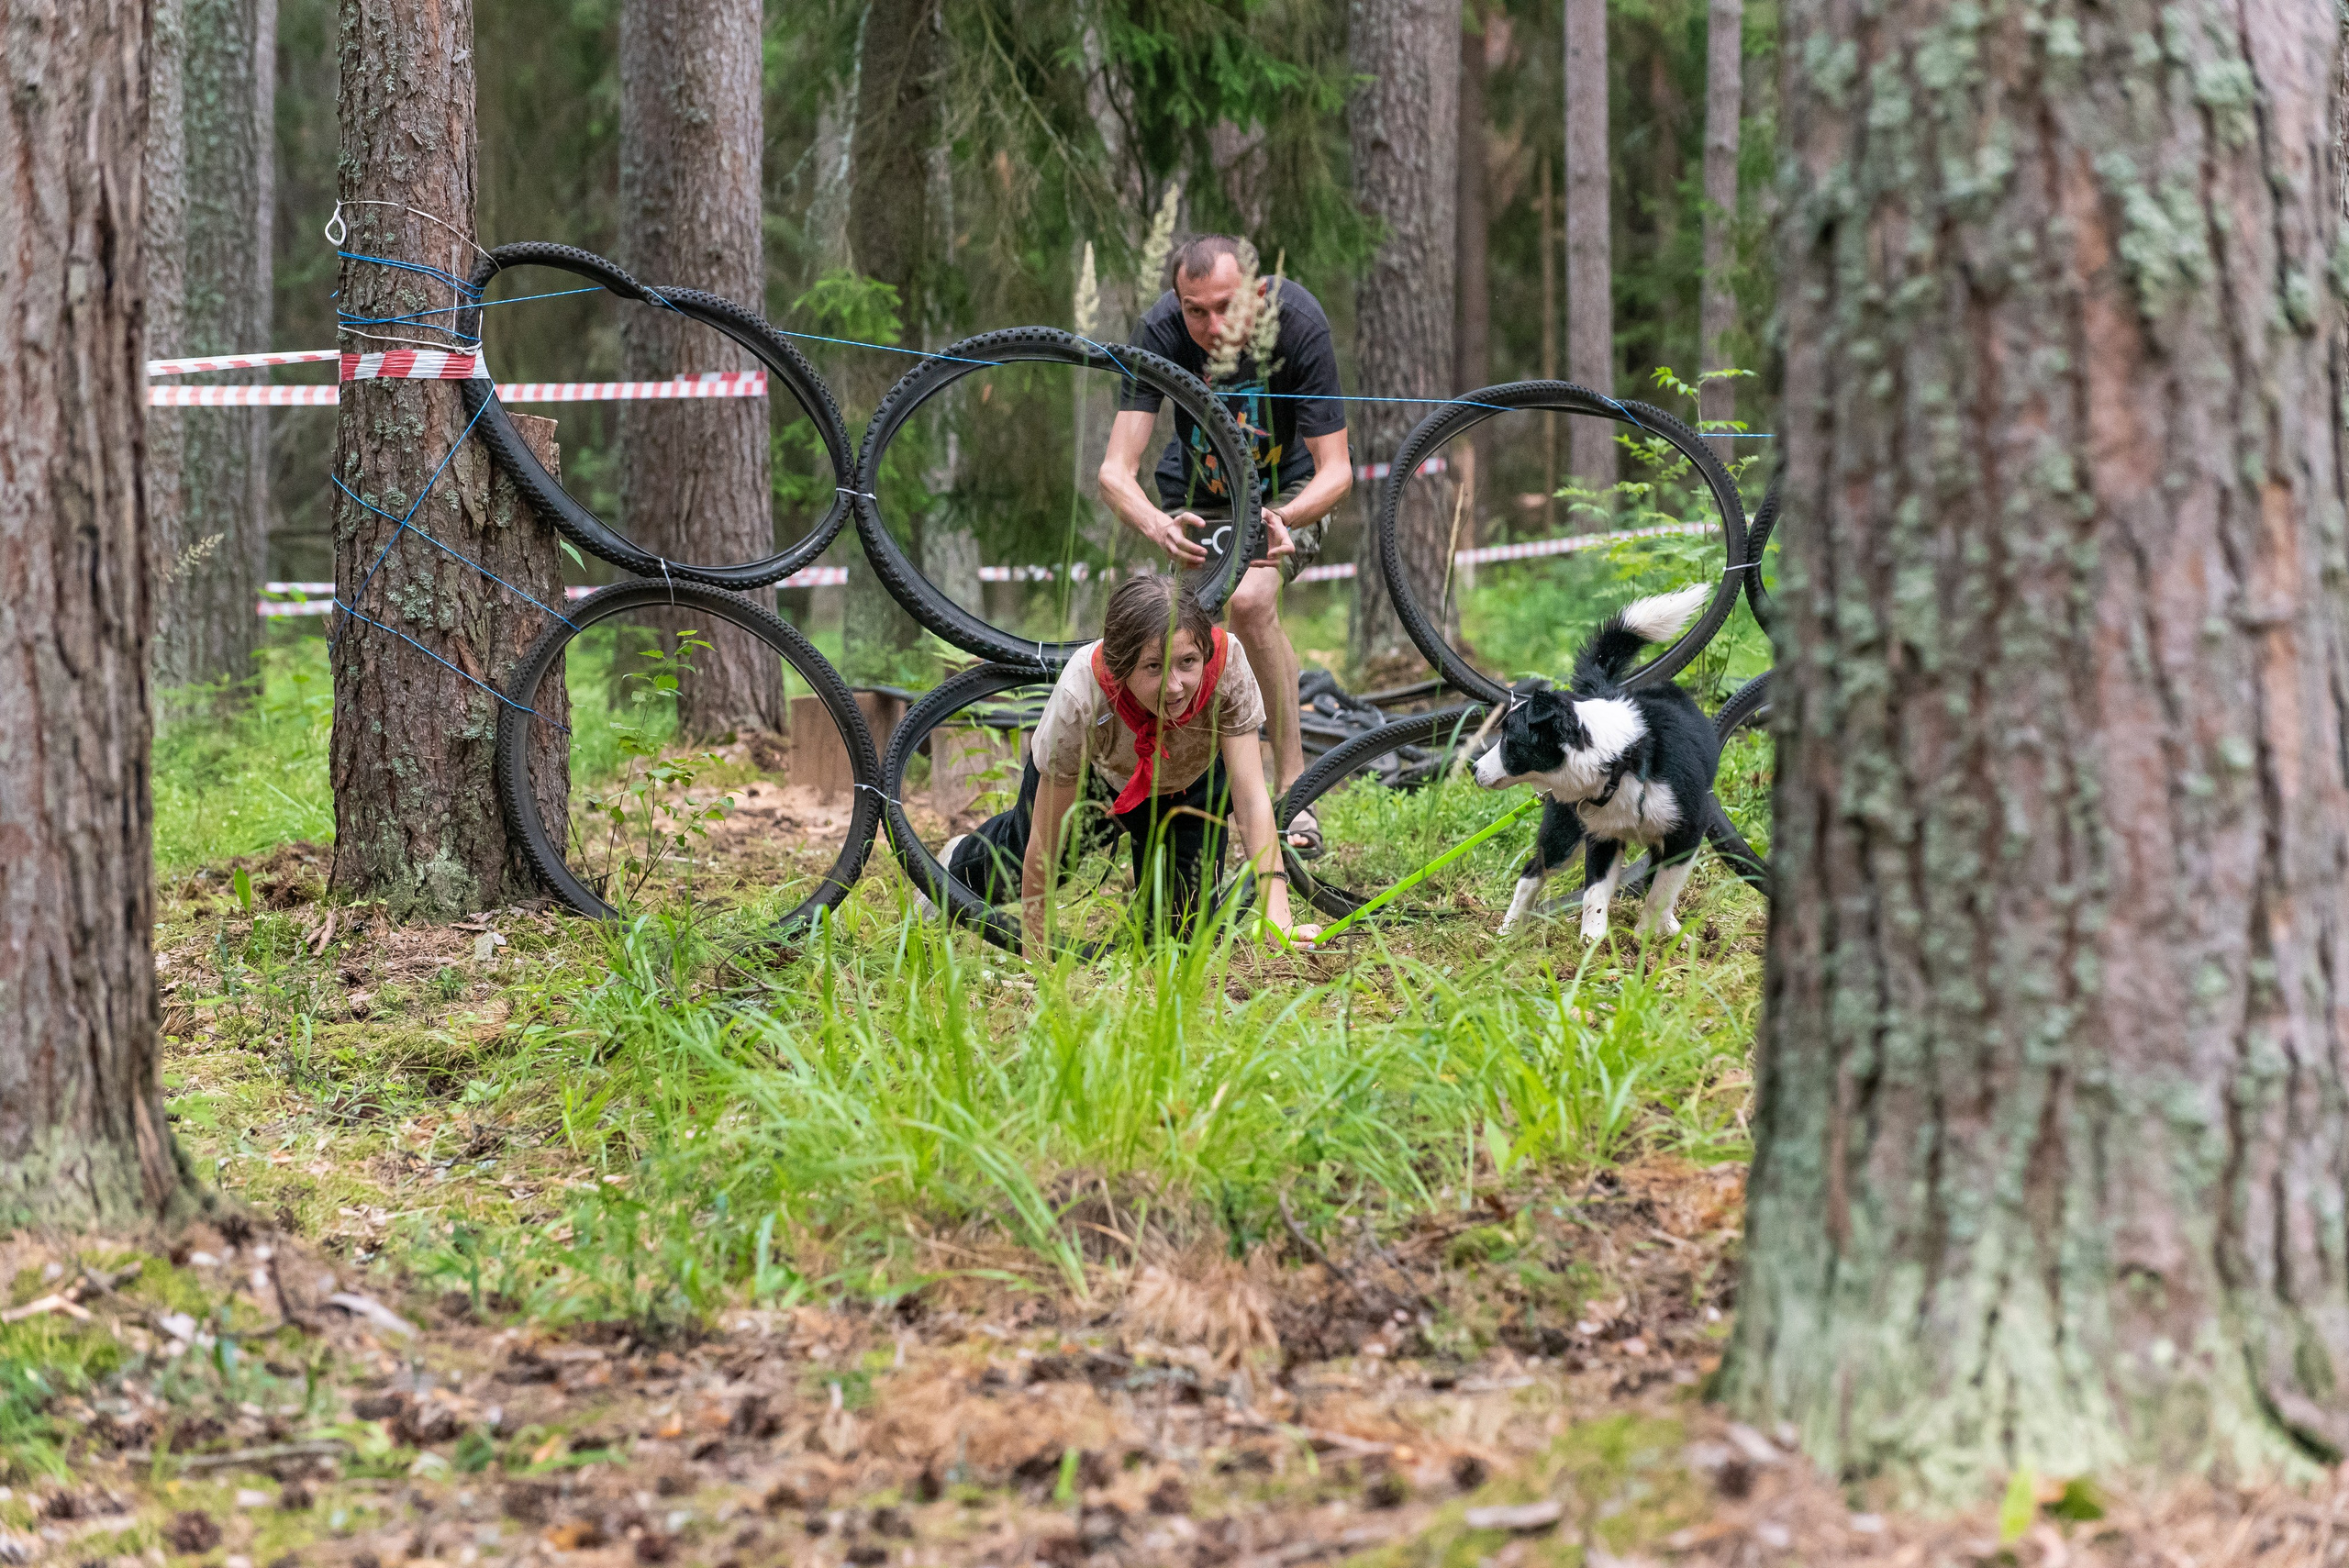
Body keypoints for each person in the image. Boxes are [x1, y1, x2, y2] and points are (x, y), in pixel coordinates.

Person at [1097, 234, 1352, 860]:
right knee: (1186, 633)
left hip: (1288, 489)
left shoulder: (1297, 322)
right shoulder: (1159, 328)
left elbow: (1337, 469)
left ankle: (1295, 786)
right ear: (1177, 302)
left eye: (1227, 307)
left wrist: (1283, 516)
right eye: (1196, 310)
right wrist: (1156, 523)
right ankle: (1187, 793)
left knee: (1253, 601)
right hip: (1199, 494)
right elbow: (1113, 470)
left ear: (1257, 291)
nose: (1213, 326)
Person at [941, 574, 1305, 954]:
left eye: (1187, 662)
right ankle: (953, 867)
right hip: (1096, 777)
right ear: (1120, 667)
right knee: (1014, 864)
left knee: (1179, 942)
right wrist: (1036, 951)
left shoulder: (1228, 668)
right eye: (1153, 667)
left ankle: (1133, 943)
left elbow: (1250, 801)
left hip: (1189, 783)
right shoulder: (1082, 692)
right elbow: (1045, 842)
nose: (1175, 685)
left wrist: (1278, 916)